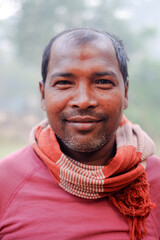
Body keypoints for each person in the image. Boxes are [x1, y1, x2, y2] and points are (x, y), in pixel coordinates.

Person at [0, 27, 160, 240]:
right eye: (64, 83)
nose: (83, 100)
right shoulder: (5, 181)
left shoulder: (155, 180)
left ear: (126, 93)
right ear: (43, 94)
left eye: (102, 82)